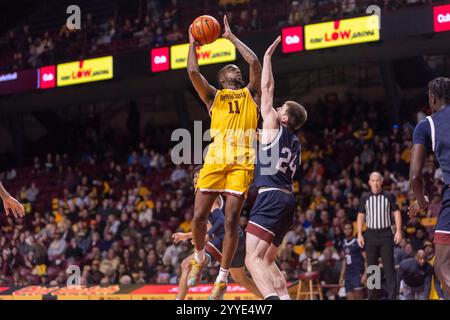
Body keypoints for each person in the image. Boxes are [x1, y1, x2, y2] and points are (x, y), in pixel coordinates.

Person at [186, 15, 262, 300]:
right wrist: (191, 44)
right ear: (221, 78)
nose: (236, 69)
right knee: (198, 217)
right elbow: (193, 73)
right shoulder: (212, 96)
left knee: (231, 222)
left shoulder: (250, 94)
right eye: (231, 68)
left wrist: (230, 37)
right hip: (216, 159)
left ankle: (222, 277)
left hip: (242, 162)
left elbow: (254, 63)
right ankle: (199, 257)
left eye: (235, 68)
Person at [244, 36, 307, 300]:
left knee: (252, 259)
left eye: (280, 108)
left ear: (283, 117)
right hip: (287, 200)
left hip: (270, 197)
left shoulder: (274, 126)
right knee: (269, 261)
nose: (274, 108)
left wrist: (267, 58)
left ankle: (271, 301)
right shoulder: (296, 143)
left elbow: (266, 89)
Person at [173, 166, 261, 300]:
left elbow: (219, 222)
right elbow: (209, 226)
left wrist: (208, 236)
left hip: (225, 237)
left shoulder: (211, 197)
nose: (196, 179)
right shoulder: (206, 197)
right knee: (240, 278)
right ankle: (270, 298)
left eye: (199, 176)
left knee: (186, 264)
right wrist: (186, 235)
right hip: (237, 237)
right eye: (195, 177)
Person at [409, 77, 450, 296]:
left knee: (442, 264)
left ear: (432, 99)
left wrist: (422, 200)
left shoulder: (427, 125)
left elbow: (415, 176)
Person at [357, 172, 402, 300]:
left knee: (389, 268)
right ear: (369, 182)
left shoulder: (389, 196)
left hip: (386, 235)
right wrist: (360, 234)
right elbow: (360, 215)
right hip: (370, 235)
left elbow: (397, 213)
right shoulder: (364, 197)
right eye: (373, 180)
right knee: (373, 269)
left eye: (378, 180)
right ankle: (373, 297)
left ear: (381, 182)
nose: (375, 183)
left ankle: (393, 297)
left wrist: (398, 230)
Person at [339, 221, 367, 300]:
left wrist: (365, 274)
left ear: (352, 229)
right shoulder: (343, 243)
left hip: (358, 274)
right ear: (343, 231)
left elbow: (366, 259)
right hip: (348, 276)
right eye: (345, 229)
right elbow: (344, 261)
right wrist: (341, 277)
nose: (347, 230)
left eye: (349, 228)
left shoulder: (358, 241)